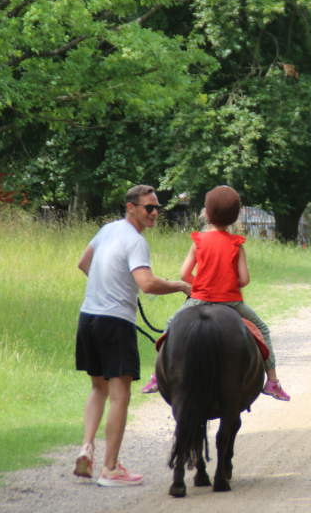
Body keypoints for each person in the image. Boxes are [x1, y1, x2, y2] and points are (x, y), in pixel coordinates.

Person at [74, 185, 193, 486]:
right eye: (148, 208)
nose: (155, 213)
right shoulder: (135, 241)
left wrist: (109, 285)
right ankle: (110, 469)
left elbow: (84, 263)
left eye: (157, 207)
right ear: (130, 208)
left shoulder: (107, 230)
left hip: (88, 318)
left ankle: (87, 447)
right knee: (119, 396)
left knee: (98, 388)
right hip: (115, 324)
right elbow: (147, 283)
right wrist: (180, 286)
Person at [141, 185, 291, 401]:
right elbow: (245, 280)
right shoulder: (237, 245)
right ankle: (273, 382)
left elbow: (184, 274)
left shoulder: (199, 241)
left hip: (199, 300)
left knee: (170, 325)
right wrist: (228, 284)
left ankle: (157, 376)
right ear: (234, 217)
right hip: (231, 303)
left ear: (207, 214)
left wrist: (200, 285)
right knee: (262, 330)